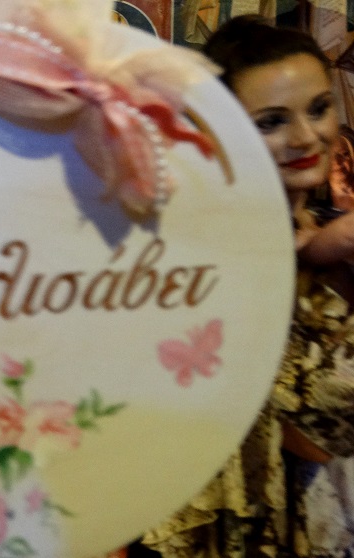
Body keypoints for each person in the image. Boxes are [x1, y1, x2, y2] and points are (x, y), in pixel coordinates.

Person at [136, 16, 354, 557]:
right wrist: (329, 269)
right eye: (271, 122)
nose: (306, 137)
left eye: (319, 109)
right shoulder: (209, 255)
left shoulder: (314, 232)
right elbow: (316, 434)